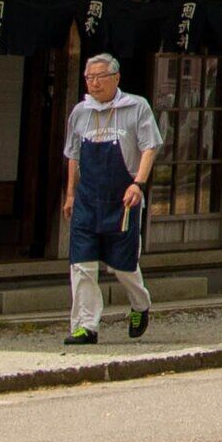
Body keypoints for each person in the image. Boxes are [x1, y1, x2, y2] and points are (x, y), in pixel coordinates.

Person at [64, 53, 163, 345]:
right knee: (82, 265)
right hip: (87, 199)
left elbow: (150, 146)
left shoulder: (136, 106)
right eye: (89, 78)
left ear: (116, 78)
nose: (94, 83)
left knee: (123, 265)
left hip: (123, 199)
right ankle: (86, 326)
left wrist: (138, 184)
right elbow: (72, 155)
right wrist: (70, 193)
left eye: (100, 77)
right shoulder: (81, 112)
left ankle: (140, 304)